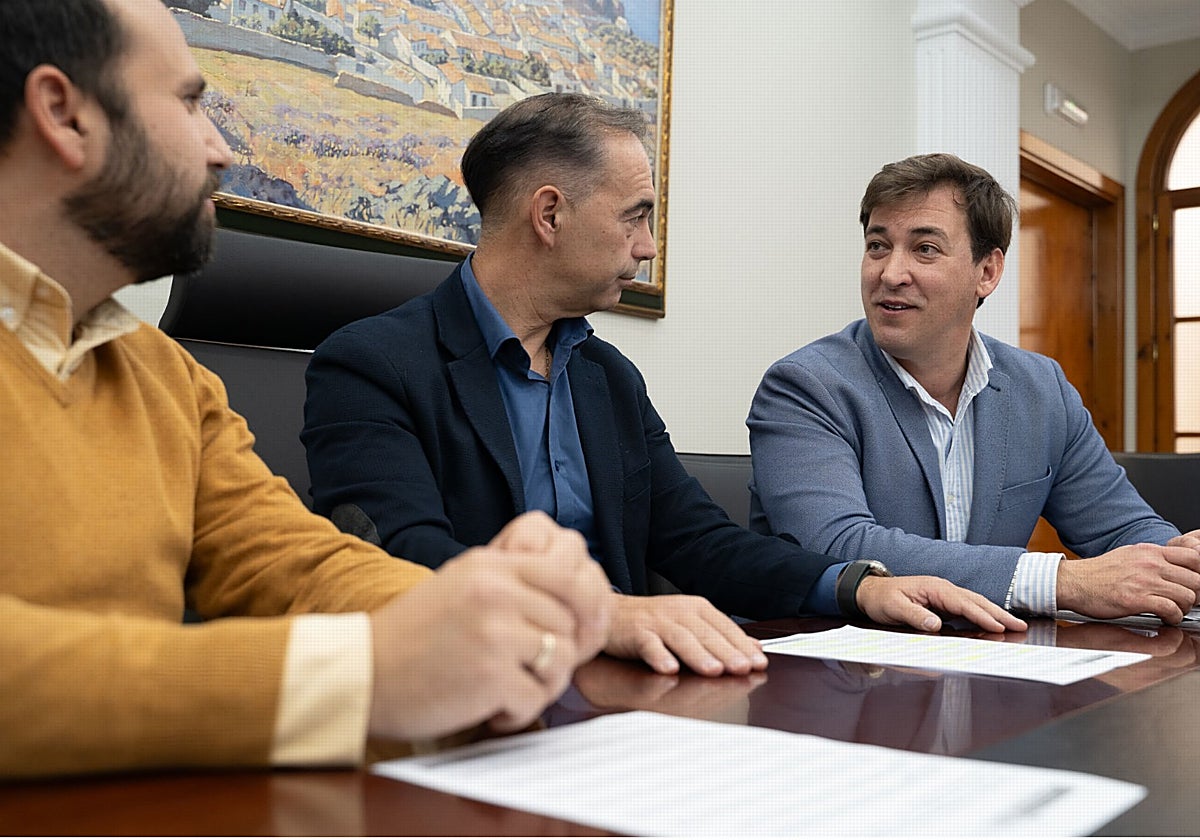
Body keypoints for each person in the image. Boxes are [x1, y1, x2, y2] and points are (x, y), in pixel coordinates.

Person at [0, 0, 617, 780]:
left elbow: (295, 563)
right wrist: (361, 673)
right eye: (189, 103)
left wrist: (485, 610)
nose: (221, 148)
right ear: (64, 114)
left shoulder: (163, 375)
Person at [302, 95, 1026, 680]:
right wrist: (603, 615)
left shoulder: (606, 376)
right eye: (636, 216)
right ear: (550, 215)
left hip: (620, 696)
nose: (648, 247)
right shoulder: (370, 365)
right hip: (466, 692)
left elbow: (695, 540)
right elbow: (398, 560)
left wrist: (856, 586)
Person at [748, 152, 1200, 624]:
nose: (890, 273)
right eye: (878, 246)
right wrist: (1060, 581)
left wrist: (1181, 560)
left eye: (925, 249)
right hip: (834, 659)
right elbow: (839, 546)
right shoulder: (805, 386)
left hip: (988, 656)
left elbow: (1122, 528)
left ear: (987, 272)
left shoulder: (1041, 388)